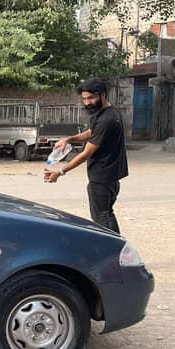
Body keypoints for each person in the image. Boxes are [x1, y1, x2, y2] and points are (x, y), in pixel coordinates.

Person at [43, 78, 128, 233]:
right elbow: (91, 133)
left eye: (91, 98)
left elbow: (86, 153)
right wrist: (69, 139)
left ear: (103, 95)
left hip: (102, 179)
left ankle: (113, 252)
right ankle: (116, 249)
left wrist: (60, 172)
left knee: (101, 220)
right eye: (84, 99)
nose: (87, 102)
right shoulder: (108, 112)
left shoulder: (106, 120)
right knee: (106, 215)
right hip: (110, 177)